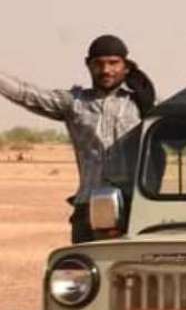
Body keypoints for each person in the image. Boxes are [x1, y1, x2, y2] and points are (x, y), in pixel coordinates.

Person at [0, 35, 155, 242]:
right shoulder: (75, 103)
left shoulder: (143, 104)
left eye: (113, 63)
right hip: (87, 207)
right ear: (88, 65)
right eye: (98, 64)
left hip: (135, 208)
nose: (106, 70)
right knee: (81, 269)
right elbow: (27, 94)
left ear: (125, 66)